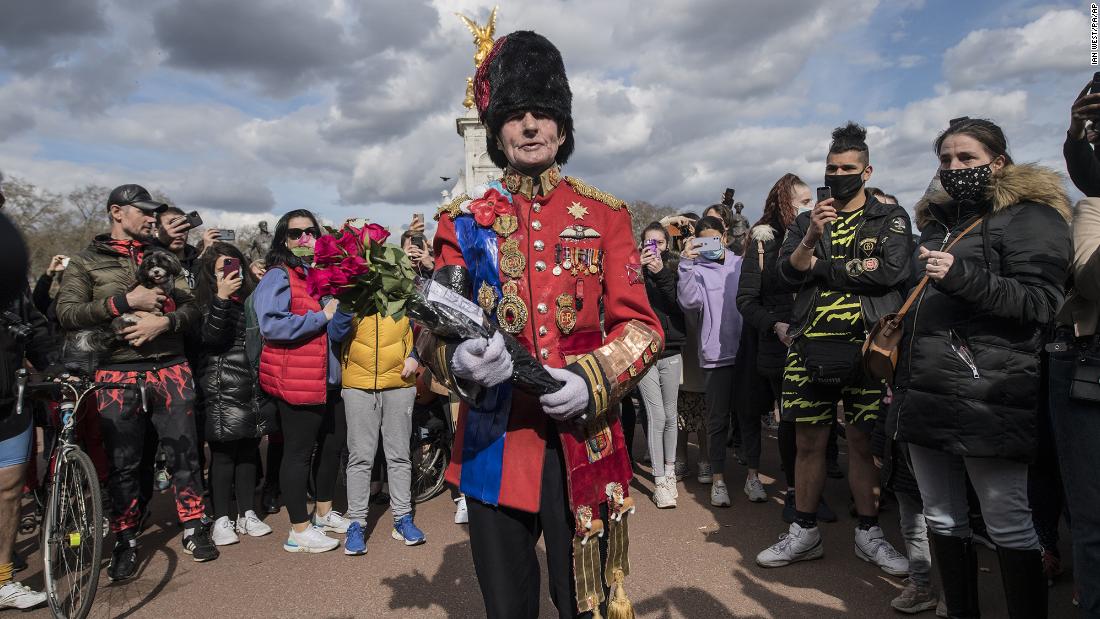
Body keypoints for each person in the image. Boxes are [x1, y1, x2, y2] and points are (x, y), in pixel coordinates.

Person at [420, 31, 663, 618]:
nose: (530, 126)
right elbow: (433, 332)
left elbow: (643, 328)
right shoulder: (462, 223)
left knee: (587, 603)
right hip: (495, 443)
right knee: (508, 606)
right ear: (497, 128)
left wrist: (591, 377)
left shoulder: (604, 215)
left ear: (561, 127)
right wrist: (455, 362)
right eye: (515, 115)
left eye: (543, 114)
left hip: (583, 431)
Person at [888, 117, 1071, 618]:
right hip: (924, 386)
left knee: (1008, 521)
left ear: (1000, 162)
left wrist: (962, 276)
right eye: (945, 159)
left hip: (989, 390)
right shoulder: (936, 224)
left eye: (966, 157)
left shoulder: (1033, 217)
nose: (954, 168)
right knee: (943, 518)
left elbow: (1042, 302)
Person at [756, 123, 910, 576]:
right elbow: (785, 276)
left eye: (848, 168)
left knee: (862, 444)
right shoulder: (808, 220)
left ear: (867, 171)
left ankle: (869, 533)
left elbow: (889, 273)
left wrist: (822, 267)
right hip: (809, 348)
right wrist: (809, 240)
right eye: (831, 167)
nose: (839, 174)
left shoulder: (889, 219)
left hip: (867, 349)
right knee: (808, 443)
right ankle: (803, 532)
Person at [55, 184, 219, 581]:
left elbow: (194, 306)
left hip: (171, 367)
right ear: (116, 212)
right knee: (124, 462)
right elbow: (67, 313)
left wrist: (165, 321)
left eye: (153, 212)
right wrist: (124, 304)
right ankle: (126, 537)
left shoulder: (162, 256)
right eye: (142, 211)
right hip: (115, 373)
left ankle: (194, 526)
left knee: (185, 455)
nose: (150, 218)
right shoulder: (85, 261)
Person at [252, 209, 349, 553]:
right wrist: (320, 316)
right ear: (283, 239)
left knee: (333, 445)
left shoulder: (318, 274)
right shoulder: (277, 276)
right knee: (298, 454)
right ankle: (298, 529)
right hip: (297, 379)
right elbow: (271, 325)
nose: (304, 238)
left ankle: (323, 513)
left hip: (328, 379)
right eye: (296, 234)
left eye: (310, 232)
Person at [330, 266, 426, 555]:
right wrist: (347, 302)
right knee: (360, 457)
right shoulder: (352, 296)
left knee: (398, 455)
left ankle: (402, 519)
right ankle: (357, 523)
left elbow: (425, 330)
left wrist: (415, 356)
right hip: (358, 386)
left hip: (399, 383)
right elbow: (335, 333)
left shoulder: (403, 295)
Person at [736, 173, 814, 522]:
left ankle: (813, 491)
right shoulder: (763, 242)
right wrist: (775, 325)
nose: (813, 207)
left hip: (819, 343)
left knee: (816, 421)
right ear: (786, 203)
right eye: (805, 202)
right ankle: (796, 492)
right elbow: (746, 300)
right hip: (779, 346)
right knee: (792, 418)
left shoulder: (820, 235)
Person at [1050, 82, 1100, 616]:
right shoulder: (1092, 209)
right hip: (1088, 366)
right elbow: (1091, 280)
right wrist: (1075, 133)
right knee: (1092, 522)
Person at [192, 242, 275, 546]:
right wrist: (221, 299)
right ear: (210, 275)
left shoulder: (252, 299)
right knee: (224, 455)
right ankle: (221, 518)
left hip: (252, 382)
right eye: (222, 269)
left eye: (234, 266)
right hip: (220, 384)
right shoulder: (203, 301)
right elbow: (212, 340)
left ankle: (248, 513)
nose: (230, 274)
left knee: (249, 452)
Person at [0, 180, 50, 609]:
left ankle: (1, 578)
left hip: (9, 396)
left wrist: (61, 367)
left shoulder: (12, 280)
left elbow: (35, 328)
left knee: (10, 488)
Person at [677, 215, 745, 507]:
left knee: (748, 417)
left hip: (745, 352)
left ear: (724, 235)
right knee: (716, 419)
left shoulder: (740, 264)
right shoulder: (695, 269)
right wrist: (685, 264)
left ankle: (752, 475)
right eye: (701, 240)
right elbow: (690, 303)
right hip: (715, 354)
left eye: (713, 238)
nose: (708, 245)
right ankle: (718, 478)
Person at [637, 222, 685, 508]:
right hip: (643, 348)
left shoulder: (677, 270)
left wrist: (662, 274)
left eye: (659, 242)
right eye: (648, 242)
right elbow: (631, 303)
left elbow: (678, 304)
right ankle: (658, 481)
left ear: (667, 245)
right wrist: (639, 273)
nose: (653, 248)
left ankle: (669, 471)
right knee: (655, 415)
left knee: (670, 413)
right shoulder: (633, 270)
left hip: (672, 348)